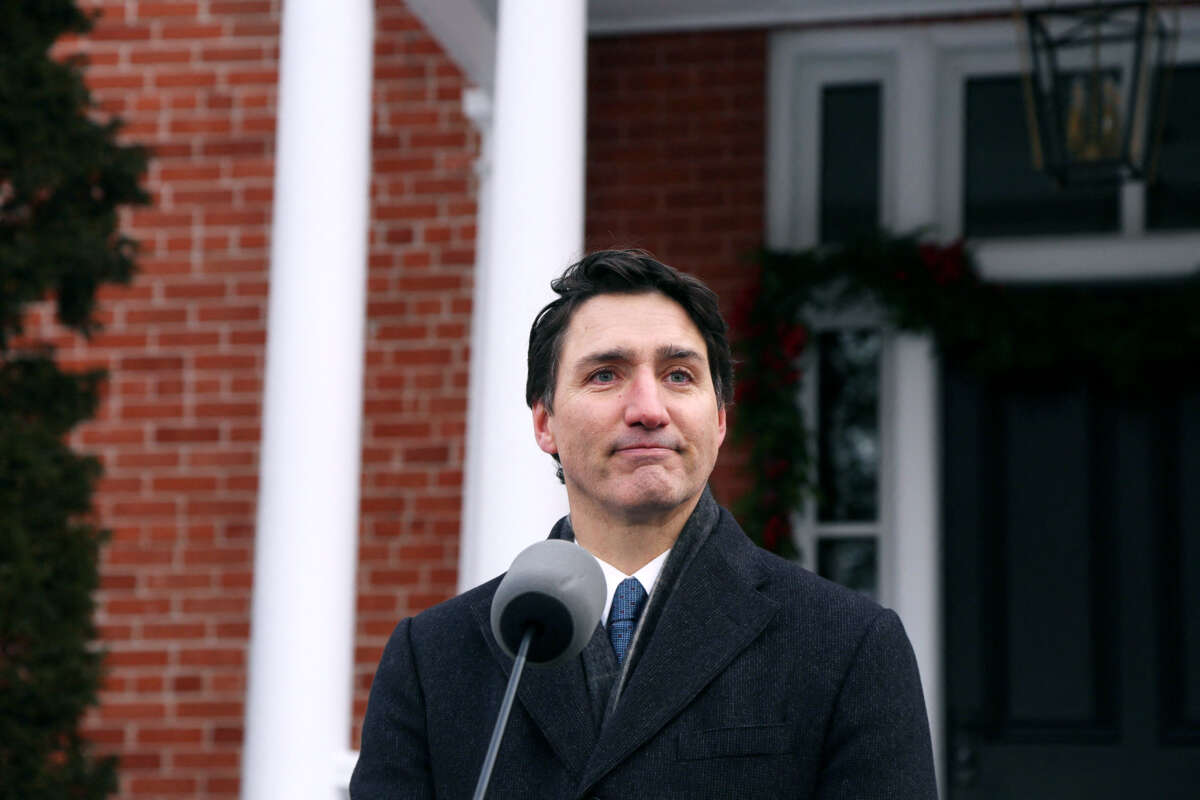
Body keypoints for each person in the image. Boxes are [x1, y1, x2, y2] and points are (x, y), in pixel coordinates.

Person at [350, 250, 938, 799]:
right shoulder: (433, 660)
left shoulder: (848, 646)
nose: (649, 410)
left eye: (679, 375)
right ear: (544, 423)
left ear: (720, 418)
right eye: (605, 374)